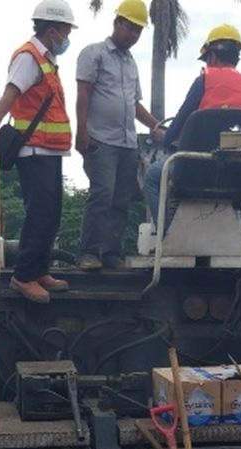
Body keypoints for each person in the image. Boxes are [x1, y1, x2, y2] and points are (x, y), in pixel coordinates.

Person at [0, 0, 78, 304]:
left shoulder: (46, 59)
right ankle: (23, 276)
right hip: (33, 150)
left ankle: (39, 269)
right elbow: (10, 94)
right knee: (40, 213)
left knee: (52, 214)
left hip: (50, 151)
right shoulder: (28, 57)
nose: (67, 37)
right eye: (67, 31)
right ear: (54, 30)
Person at [143, 23, 241, 225]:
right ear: (237, 58)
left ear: (213, 57)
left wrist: (164, 137)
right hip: (240, 176)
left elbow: (177, 126)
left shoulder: (204, 80)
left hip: (196, 172)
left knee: (153, 176)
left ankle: (164, 235)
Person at [74, 0, 162, 271]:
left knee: (121, 201)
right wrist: (82, 131)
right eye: (130, 29)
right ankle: (88, 253)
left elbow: (134, 104)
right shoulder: (94, 53)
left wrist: (155, 126)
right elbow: (84, 93)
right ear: (117, 23)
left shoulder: (131, 63)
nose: (133, 35)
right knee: (102, 195)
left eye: (138, 31)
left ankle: (110, 253)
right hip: (101, 139)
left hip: (126, 143)